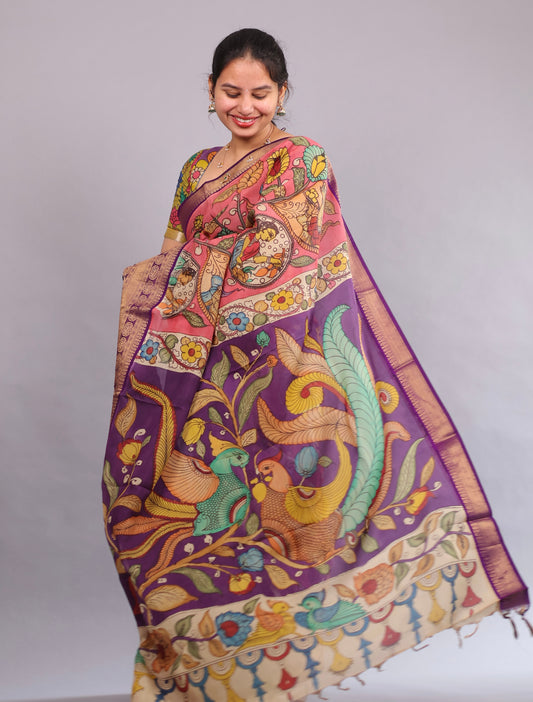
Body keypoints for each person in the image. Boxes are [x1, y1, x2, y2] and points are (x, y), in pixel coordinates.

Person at [103, 28, 528, 702]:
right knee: (164, 512)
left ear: (282, 93)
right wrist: (165, 279)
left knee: (285, 518)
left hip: (276, 371)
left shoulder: (300, 159)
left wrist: (200, 267)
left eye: (260, 93)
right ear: (210, 91)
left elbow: (286, 256)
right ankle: (206, 676)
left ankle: (286, 667)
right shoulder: (195, 169)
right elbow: (174, 258)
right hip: (200, 374)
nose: (245, 106)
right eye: (230, 92)